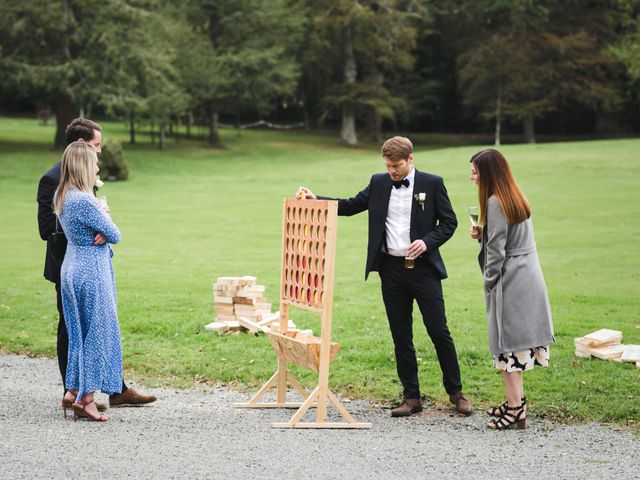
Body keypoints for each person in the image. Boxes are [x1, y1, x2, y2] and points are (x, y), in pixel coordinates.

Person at [297, 136, 472, 417]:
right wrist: (316, 200)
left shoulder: (432, 182)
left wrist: (427, 241)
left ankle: (457, 393)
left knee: (439, 331)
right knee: (401, 335)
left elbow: (449, 222)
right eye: (388, 166)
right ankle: (411, 397)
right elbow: (350, 205)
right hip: (390, 271)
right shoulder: (379, 182)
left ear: (410, 159)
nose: (392, 171)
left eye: (396, 166)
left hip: (424, 270)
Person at [37, 118, 156, 411]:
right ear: (80, 145)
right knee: (76, 328)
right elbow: (45, 229)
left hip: (84, 261)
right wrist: (89, 227)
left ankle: (115, 389)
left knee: (94, 327)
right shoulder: (53, 180)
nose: (99, 154)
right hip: (73, 263)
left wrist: (95, 220)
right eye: (96, 146)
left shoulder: (79, 180)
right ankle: (76, 390)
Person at [469, 149, 554, 430]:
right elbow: (508, 237)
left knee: (507, 348)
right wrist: (485, 233)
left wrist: (489, 282)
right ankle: (514, 401)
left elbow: (496, 253)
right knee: (516, 346)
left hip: (511, 282)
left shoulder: (495, 202)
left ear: (488, 173)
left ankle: (516, 409)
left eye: (475, 171)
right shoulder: (516, 195)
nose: (472, 176)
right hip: (529, 276)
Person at [54, 141, 123, 421]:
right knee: (97, 332)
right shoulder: (84, 200)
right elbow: (116, 233)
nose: (98, 166)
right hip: (91, 270)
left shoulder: (64, 195)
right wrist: (106, 226)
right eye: (94, 162)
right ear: (84, 165)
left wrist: (102, 230)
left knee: (78, 333)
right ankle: (87, 398)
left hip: (71, 266)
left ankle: (72, 389)